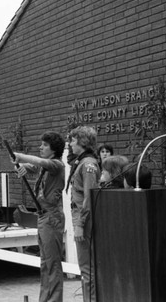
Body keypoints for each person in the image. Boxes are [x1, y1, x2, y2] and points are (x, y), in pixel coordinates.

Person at [12, 131, 66, 302]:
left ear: (54, 149)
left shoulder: (57, 165)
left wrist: (21, 156)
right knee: (45, 264)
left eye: (44, 145)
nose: (40, 147)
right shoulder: (44, 166)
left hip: (52, 217)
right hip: (43, 217)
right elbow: (33, 167)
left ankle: (54, 300)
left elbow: (40, 162)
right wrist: (21, 167)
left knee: (53, 264)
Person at [67, 126, 100, 302]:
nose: (70, 143)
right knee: (85, 267)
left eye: (73, 140)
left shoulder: (88, 164)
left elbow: (89, 196)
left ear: (82, 141)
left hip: (84, 218)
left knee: (88, 267)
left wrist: (80, 224)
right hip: (80, 215)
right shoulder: (81, 162)